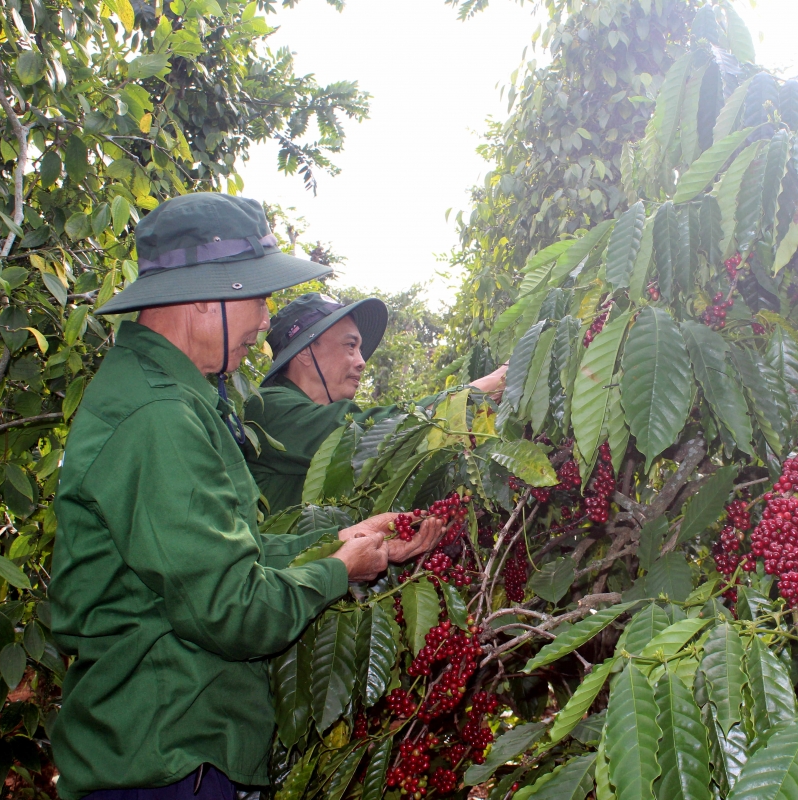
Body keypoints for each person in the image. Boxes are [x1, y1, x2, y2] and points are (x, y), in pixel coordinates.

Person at [48, 193, 445, 800]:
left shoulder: (172, 395)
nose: (265, 322)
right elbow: (233, 608)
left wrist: (343, 542)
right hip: (166, 760)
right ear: (206, 295)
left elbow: (235, 551)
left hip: (178, 753)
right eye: (258, 297)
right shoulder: (158, 415)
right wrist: (338, 571)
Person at [243, 292, 506, 513]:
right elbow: (370, 433)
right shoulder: (266, 408)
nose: (361, 361)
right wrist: (483, 386)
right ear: (305, 352)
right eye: (350, 345)